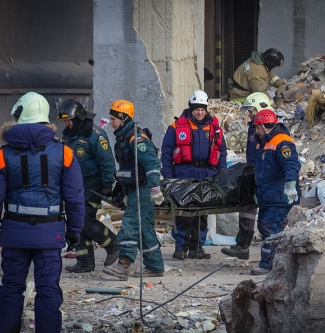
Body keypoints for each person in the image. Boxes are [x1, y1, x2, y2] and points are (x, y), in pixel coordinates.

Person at [0, 92, 85, 332]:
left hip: (13, 235)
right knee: (48, 289)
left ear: (19, 116)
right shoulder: (65, 153)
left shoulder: (1, 156)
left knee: (11, 288)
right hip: (50, 235)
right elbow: (75, 198)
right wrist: (74, 232)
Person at [161, 90, 228, 260]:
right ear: (191, 108)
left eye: (203, 109)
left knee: (202, 213)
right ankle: (181, 248)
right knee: (183, 213)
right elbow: (167, 152)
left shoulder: (215, 128)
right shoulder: (176, 127)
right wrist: (169, 177)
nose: (200, 112)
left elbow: (221, 152)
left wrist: (222, 176)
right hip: (183, 174)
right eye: (197, 109)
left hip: (207, 175)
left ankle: (197, 247)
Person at [103, 99, 165, 280]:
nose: (111, 122)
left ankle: (123, 264)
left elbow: (152, 162)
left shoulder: (136, 138)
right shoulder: (123, 139)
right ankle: (155, 265)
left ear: (123, 118)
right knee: (144, 228)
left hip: (143, 188)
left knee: (130, 223)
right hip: (134, 188)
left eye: (113, 119)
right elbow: (126, 169)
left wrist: (154, 186)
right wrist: (118, 192)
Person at [57, 99, 119, 273]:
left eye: (69, 120)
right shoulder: (69, 134)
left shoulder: (95, 135)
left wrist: (107, 185)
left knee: (84, 221)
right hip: (74, 185)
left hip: (93, 185)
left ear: (79, 117)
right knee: (76, 222)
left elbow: (107, 162)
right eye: (65, 121)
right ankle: (85, 262)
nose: (67, 123)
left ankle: (113, 244)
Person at [221, 92, 272, 260]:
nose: (249, 115)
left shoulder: (271, 130)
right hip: (254, 173)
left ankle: (269, 257)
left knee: (268, 219)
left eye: (252, 111)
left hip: (266, 177)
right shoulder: (253, 128)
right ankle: (242, 245)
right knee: (247, 209)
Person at [252, 109, 300, 275]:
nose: (256, 131)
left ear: (267, 126)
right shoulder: (263, 142)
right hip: (267, 194)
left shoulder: (282, 142)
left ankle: (268, 265)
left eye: (258, 128)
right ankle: (275, 263)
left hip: (279, 195)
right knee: (264, 226)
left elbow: (291, 165)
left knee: (270, 227)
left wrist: (291, 185)